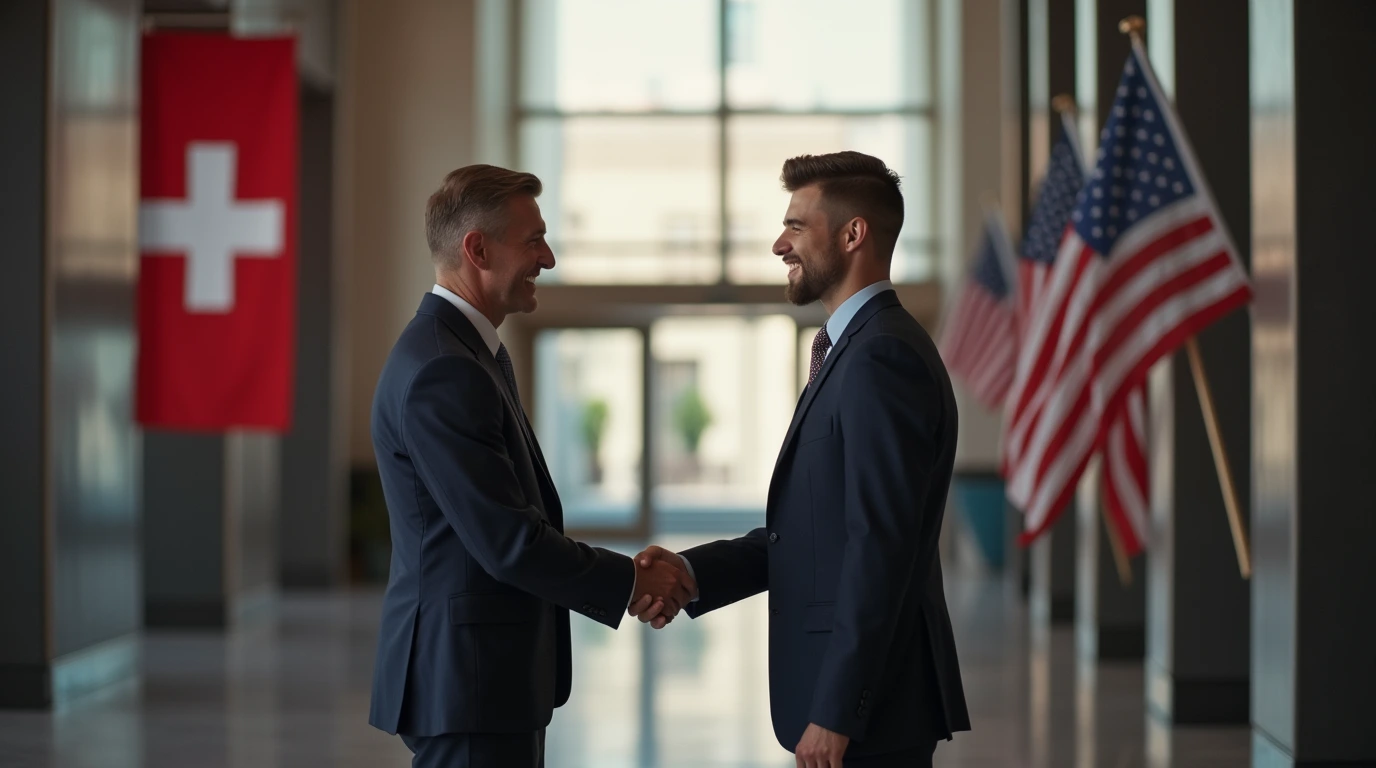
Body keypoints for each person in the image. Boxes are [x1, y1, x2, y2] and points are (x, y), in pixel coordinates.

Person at [633, 151, 971, 767]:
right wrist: (691, 571)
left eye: (795, 226)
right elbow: (815, 534)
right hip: (864, 705)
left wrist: (837, 711)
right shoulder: (856, 349)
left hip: (870, 714)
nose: (777, 244)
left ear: (852, 234)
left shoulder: (879, 358)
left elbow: (881, 547)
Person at [367, 164, 695, 768]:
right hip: (469, 683)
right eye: (534, 240)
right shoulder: (447, 368)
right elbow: (508, 541)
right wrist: (630, 582)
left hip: (480, 682)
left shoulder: (465, 353)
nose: (547, 257)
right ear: (478, 248)